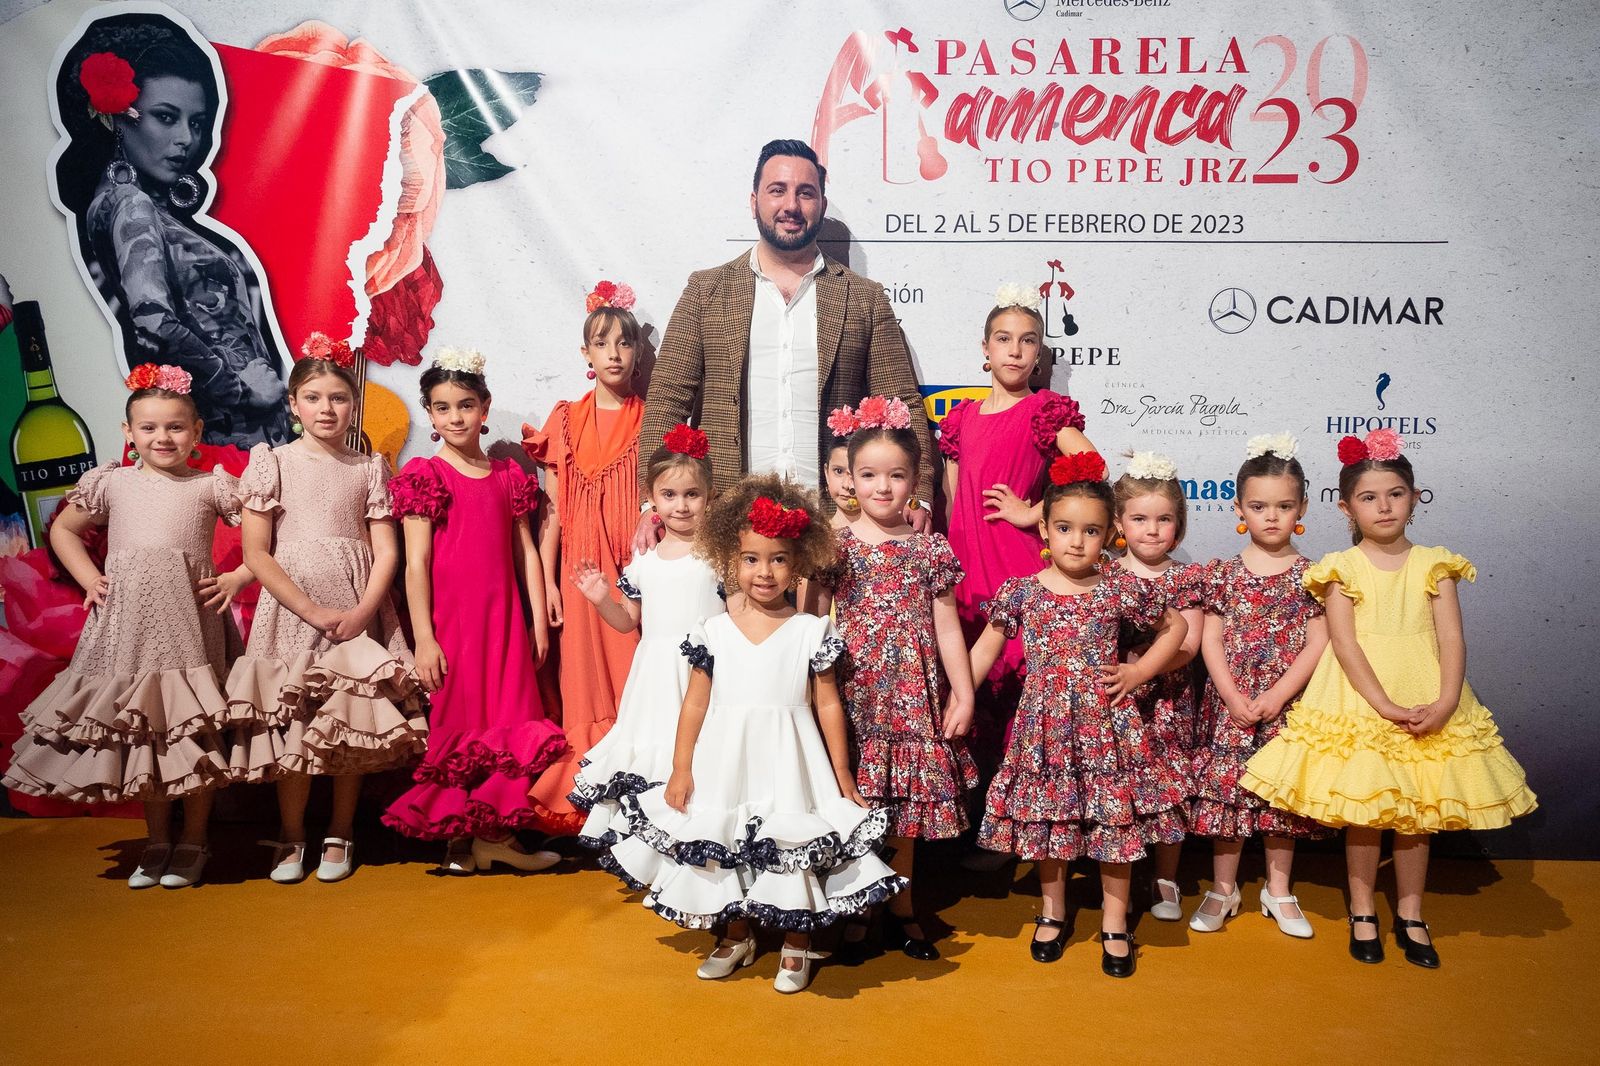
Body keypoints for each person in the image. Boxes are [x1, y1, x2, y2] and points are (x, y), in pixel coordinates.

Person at [1241, 430, 1537, 968]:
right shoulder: (1340, 567)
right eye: (1369, 497)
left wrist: (1446, 702)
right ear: (1346, 507)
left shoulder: (1435, 563)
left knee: (1416, 812)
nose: (1384, 506)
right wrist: (1383, 706)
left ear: (1415, 498)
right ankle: (1362, 911)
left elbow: (1452, 638)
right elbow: (1345, 644)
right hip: (1359, 697)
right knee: (1366, 811)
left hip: (1425, 689)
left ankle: (1411, 913)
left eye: (1396, 494)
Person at [612, 474, 905, 994]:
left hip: (793, 759)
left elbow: (828, 703)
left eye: (778, 559)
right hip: (725, 759)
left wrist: (842, 774)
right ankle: (736, 935)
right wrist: (680, 768)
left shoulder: (812, 631)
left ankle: (795, 943)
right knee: (724, 842)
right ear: (730, 559)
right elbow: (694, 704)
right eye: (751, 559)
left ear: (800, 563)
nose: (764, 572)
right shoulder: (712, 631)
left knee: (791, 839)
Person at [2, 366, 251, 888]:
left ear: (197, 432)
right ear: (128, 432)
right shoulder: (113, 483)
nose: (163, 437)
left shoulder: (211, 485)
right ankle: (158, 841)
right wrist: (90, 579)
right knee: (143, 731)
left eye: (176, 427)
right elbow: (64, 530)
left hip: (189, 626)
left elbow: (265, 539)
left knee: (192, 727)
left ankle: (194, 840)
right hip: (128, 625)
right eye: (149, 427)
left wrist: (238, 576)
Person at [635, 138, 933, 549]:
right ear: (754, 201)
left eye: (805, 193)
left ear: (821, 205)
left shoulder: (864, 298)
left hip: (836, 525)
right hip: (727, 521)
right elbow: (666, 401)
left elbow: (902, 404)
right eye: (777, 190)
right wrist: (651, 503)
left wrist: (920, 495)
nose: (791, 205)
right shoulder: (706, 291)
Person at [971, 452, 1188, 978]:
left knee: (1114, 824)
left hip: (1106, 728)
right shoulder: (1022, 591)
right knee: (1053, 823)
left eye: (1091, 531)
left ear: (1110, 534)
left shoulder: (1119, 587)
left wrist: (1140, 672)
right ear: (1044, 528)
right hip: (1045, 730)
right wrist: (958, 698)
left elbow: (1176, 628)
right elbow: (985, 648)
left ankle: (1115, 921)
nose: (1076, 541)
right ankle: (1053, 911)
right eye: (1065, 528)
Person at [225, 339, 426, 884]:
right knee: (297, 721)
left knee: (350, 719)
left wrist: (363, 612)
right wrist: (310, 609)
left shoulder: (369, 468)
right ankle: (292, 832)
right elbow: (256, 553)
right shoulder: (273, 463)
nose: (326, 409)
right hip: (293, 613)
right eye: (313, 398)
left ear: (354, 405)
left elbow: (387, 552)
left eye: (338, 398)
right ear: (293, 404)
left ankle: (341, 830)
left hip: (356, 607)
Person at [54, 13, 290, 447]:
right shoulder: (131, 205)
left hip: (236, 428)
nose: (186, 139)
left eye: (195, 123)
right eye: (166, 117)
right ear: (118, 119)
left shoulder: (115, 204)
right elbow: (152, 321)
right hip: (234, 431)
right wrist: (239, 388)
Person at [380, 348, 566, 875]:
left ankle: (495, 837)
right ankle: (462, 840)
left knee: (507, 726)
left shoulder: (508, 475)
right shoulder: (425, 474)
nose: (455, 417)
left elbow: (526, 554)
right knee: (460, 725)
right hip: (453, 628)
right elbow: (415, 565)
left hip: (504, 623)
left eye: (465, 405)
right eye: (442, 408)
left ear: (484, 407)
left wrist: (536, 620)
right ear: (429, 414)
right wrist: (424, 639)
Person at [811, 397, 977, 962]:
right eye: (868, 475)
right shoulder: (834, 547)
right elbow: (811, 626)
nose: (882, 487)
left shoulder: (930, 549)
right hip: (854, 697)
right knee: (859, 804)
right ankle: (861, 908)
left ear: (914, 480)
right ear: (849, 479)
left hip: (913, 701)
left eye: (896, 475)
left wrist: (963, 693)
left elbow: (948, 629)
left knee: (905, 812)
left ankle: (902, 907)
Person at [938, 285, 1092, 861]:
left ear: (1038, 354)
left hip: (1017, 564)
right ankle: (971, 823)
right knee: (968, 693)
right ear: (985, 349)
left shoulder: (1043, 411)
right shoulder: (962, 418)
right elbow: (954, 499)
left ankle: (1019, 830)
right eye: (1003, 339)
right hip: (965, 569)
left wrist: (1035, 513)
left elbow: (1092, 469)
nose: (1015, 350)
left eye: (1028, 341)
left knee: (1019, 698)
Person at [1186, 435, 1333, 938]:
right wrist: (1231, 696)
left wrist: (1278, 695)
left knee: (1279, 797)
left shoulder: (1315, 576)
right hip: (1232, 703)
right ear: (1239, 508)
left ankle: (1278, 888)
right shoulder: (1222, 574)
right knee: (1227, 795)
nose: (1272, 517)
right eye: (1259, 506)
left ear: (1302, 508)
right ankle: (1223, 888)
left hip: (1286, 705)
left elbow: (1319, 642)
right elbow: (1210, 639)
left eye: (1284, 506)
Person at [571, 425, 724, 869]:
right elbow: (627, 621)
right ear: (652, 500)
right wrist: (601, 600)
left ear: (709, 497)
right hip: (655, 677)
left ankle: (695, 852)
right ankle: (653, 858)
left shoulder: (720, 555)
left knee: (701, 754)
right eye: (669, 495)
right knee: (655, 751)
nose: (681, 505)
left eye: (692, 495)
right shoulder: (644, 560)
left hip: (705, 674)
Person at [522, 283, 645, 836]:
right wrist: (549, 581)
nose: (614, 354)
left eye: (624, 342)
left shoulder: (651, 418)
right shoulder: (566, 419)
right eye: (602, 343)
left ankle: (638, 810)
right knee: (584, 685)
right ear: (586, 353)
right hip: (578, 573)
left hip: (633, 574)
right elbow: (551, 511)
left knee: (634, 679)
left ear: (637, 351)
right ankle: (590, 806)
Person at [1107, 452, 1205, 923]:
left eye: (1163, 520)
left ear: (1178, 525)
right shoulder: (1104, 573)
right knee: (1118, 787)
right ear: (1119, 523)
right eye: (1140, 519)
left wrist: (1140, 669)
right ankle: (1116, 880)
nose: (1152, 530)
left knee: (1169, 786)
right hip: (1114, 702)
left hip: (1166, 702)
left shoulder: (1187, 578)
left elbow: (1189, 645)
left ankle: (1166, 879)